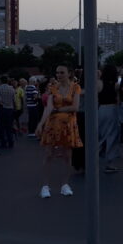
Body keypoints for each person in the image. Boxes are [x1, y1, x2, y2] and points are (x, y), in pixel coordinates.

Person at [35, 65, 81, 198]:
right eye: (57, 73)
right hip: (53, 124)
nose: (59, 75)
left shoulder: (75, 87)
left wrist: (58, 110)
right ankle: (45, 186)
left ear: (69, 73)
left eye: (62, 72)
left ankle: (65, 184)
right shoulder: (53, 88)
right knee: (49, 154)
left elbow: (75, 107)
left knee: (67, 155)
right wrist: (40, 124)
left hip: (68, 125)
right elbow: (48, 107)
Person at [98, 64, 123, 173]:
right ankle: (109, 163)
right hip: (112, 109)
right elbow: (118, 100)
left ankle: (94, 156)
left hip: (100, 109)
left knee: (101, 134)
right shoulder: (116, 85)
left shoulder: (99, 83)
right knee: (112, 135)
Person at [0, 75, 17, 149]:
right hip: (10, 109)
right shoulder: (12, 88)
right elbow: (14, 99)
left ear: (1, 81)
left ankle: (3, 143)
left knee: (1, 127)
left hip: (2, 109)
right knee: (9, 126)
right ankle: (11, 142)